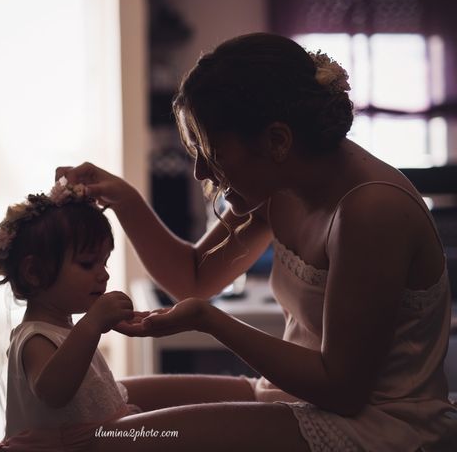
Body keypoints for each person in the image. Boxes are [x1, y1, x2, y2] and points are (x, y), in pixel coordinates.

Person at [57, 33, 457, 451]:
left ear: (278, 141)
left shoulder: (372, 210)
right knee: (98, 404)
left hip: (377, 423)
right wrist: (124, 198)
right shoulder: (282, 185)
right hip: (296, 396)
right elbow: (194, 278)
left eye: (210, 151)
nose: (198, 172)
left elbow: (343, 389)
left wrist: (209, 321)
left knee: (113, 441)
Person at [0, 178, 144, 452]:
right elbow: (54, 391)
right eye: (86, 263)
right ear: (34, 272)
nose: (103, 274)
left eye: (104, 262)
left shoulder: (67, 330)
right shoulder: (34, 338)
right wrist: (92, 324)